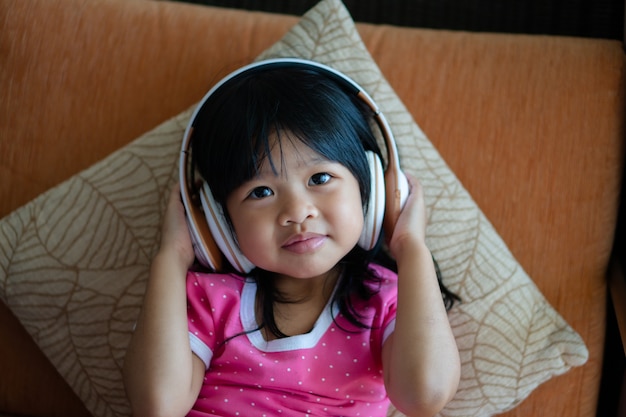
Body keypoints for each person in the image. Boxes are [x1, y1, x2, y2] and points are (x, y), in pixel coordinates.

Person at [123, 60, 461, 417]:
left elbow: (425, 396)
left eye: (320, 179)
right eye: (261, 191)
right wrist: (172, 257)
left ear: (373, 189)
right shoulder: (209, 300)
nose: (297, 212)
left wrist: (411, 247)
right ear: (215, 222)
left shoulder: (388, 300)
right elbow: (155, 404)